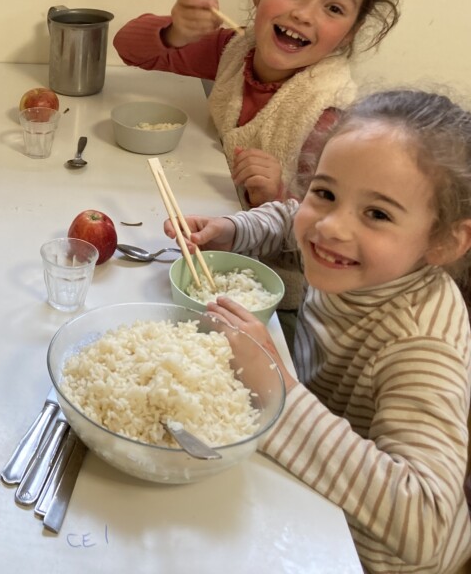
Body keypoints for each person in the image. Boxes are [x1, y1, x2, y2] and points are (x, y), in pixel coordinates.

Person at [173, 89, 471, 573]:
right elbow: (293, 217)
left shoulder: (421, 344)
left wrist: (278, 387)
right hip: (319, 475)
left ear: (444, 242)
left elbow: (424, 522)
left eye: (377, 214)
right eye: (326, 193)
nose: (331, 227)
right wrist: (232, 231)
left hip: (364, 552)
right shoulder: (356, 257)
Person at [114, 0, 403, 208]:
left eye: (334, 8)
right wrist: (176, 32)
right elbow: (129, 49)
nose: (303, 15)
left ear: (350, 31)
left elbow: (325, 218)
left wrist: (275, 195)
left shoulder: (329, 115)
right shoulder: (234, 48)